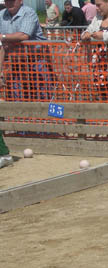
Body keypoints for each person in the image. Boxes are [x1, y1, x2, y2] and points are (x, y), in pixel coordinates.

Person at [0, 0, 47, 168]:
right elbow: (3, 47)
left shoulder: (29, 13)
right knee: (17, 97)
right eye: (7, 0)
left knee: (39, 96)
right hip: (15, 63)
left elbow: (23, 36)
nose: (9, 3)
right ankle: (23, 131)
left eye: (13, 0)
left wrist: (3, 36)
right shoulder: (1, 15)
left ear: (20, 1)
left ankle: (43, 131)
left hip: (35, 61)